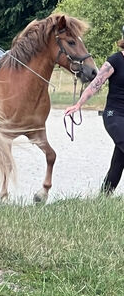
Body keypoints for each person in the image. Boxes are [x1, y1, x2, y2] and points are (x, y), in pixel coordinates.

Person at [64, 36, 124, 194]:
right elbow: (95, 84)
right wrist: (78, 104)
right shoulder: (115, 61)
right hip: (114, 115)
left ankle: (104, 196)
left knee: (119, 161)